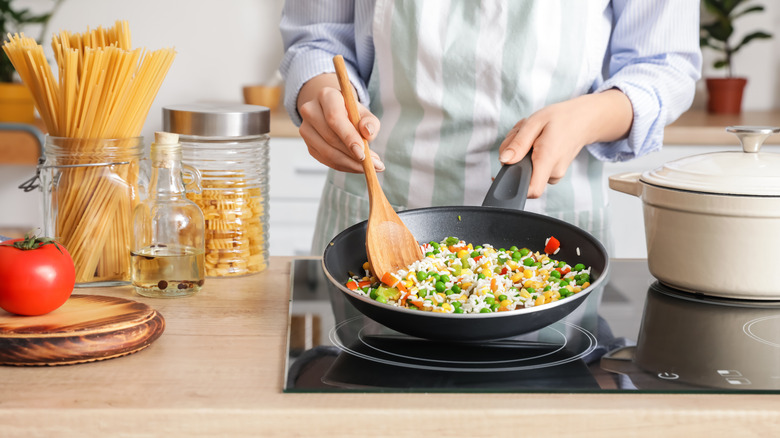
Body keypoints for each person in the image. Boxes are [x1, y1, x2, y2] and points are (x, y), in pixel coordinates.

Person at [279, 0, 701, 349]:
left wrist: (589, 117)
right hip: (384, 203)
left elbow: (665, 63)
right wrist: (322, 96)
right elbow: (317, 36)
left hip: (555, 216)